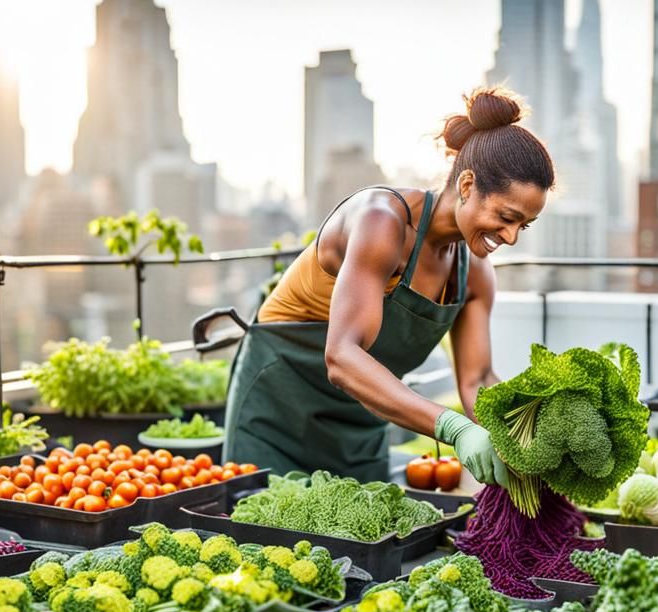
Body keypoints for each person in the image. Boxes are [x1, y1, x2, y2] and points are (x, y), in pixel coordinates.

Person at [222, 86, 555, 485]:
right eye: (506, 216)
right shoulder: (382, 222)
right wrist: (455, 429)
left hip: (360, 427)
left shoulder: (475, 273)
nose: (512, 237)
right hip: (276, 416)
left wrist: (527, 440)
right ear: (467, 186)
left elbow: (477, 379)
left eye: (524, 225)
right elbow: (343, 357)